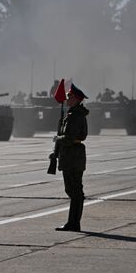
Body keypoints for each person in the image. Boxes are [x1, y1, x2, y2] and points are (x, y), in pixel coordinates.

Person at [54, 83, 89, 232]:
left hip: (72, 156)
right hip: (72, 155)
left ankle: (73, 223)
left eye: (69, 96)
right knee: (74, 190)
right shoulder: (73, 114)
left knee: (74, 191)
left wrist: (58, 138)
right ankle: (73, 222)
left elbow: (69, 138)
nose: (67, 98)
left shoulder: (75, 116)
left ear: (76, 99)